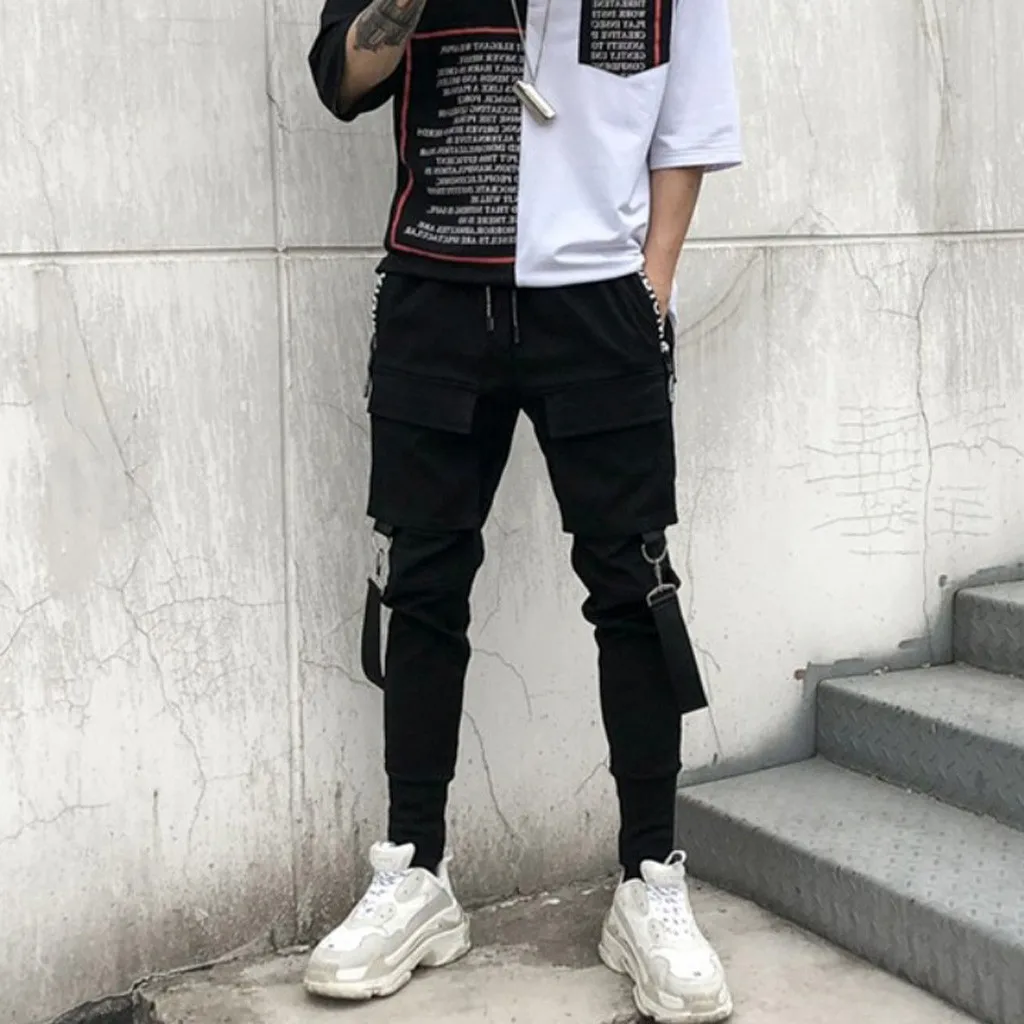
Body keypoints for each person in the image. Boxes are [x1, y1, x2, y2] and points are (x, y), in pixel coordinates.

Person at [304, 0, 742, 1019]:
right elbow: (343, 77)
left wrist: (651, 289)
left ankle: (648, 878)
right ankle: (415, 869)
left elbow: (689, 126)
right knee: (421, 581)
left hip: (600, 297)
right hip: (438, 285)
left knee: (634, 584)